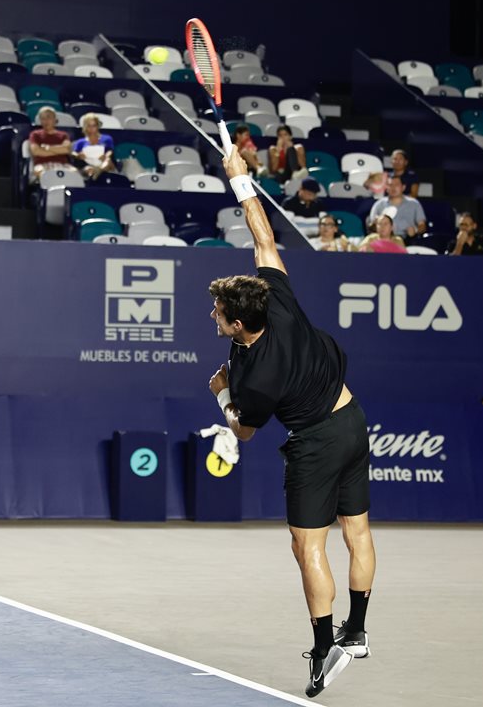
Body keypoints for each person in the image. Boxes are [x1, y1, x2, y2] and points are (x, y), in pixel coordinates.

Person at [208, 147, 375, 698]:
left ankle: (324, 650)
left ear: (238, 324)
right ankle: (358, 630)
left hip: (316, 444)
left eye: (218, 314)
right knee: (357, 532)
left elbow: (244, 431)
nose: (213, 316)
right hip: (352, 419)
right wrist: (240, 179)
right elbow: (263, 238)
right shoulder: (274, 297)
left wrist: (221, 392)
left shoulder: (252, 376)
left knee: (308, 548)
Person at [29, 106, 72, 180]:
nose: (46, 121)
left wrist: (47, 148)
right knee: (42, 174)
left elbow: (66, 150)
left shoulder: (64, 135)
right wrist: (58, 151)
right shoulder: (35, 134)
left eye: (48, 117)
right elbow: (36, 151)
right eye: (43, 118)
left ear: (55, 119)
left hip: (62, 164)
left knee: (75, 173)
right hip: (42, 165)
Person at [71, 114, 115, 179]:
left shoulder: (107, 138)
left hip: (103, 162)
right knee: (88, 169)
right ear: (85, 127)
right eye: (89, 126)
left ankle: (98, 171)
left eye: (94, 126)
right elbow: (74, 153)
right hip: (88, 163)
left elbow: (110, 151)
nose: (91, 129)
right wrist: (78, 155)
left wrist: (106, 156)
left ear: (97, 126)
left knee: (108, 161)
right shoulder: (81, 142)